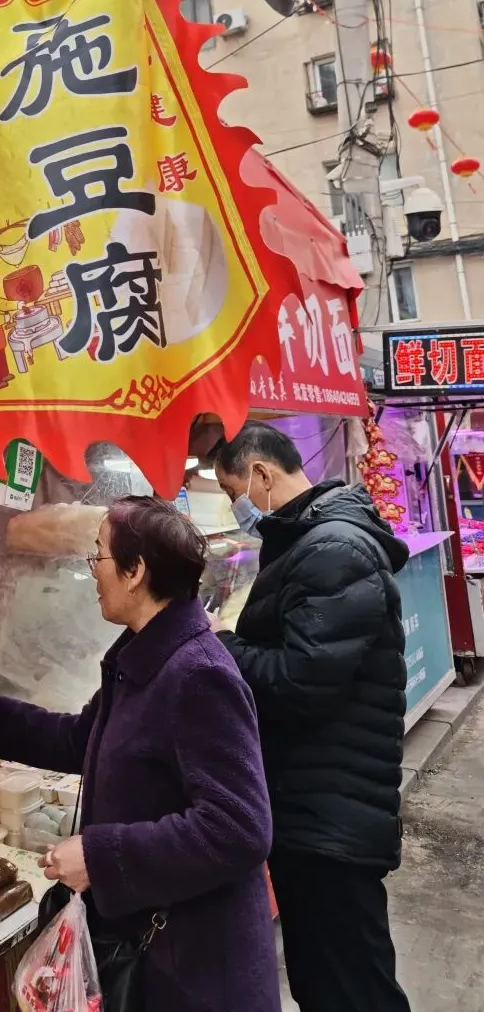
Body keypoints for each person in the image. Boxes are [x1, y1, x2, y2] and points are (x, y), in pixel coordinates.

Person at [0, 496, 280, 1012]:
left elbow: (239, 828)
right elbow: (86, 739)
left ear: (135, 571)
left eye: (98, 555)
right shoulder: (143, 656)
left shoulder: (198, 675)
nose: (92, 570)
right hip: (155, 949)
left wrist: (102, 858)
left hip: (196, 969)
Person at [212, 422, 411, 1012]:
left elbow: (301, 681)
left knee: (350, 986)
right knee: (330, 980)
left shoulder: (332, 549)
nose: (238, 508)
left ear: (261, 475)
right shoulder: (313, 540)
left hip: (332, 818)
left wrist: (223, 646)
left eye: (233, 493)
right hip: (317, 805)